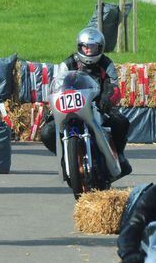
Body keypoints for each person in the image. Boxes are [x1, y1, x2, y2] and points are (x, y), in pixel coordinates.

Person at [39, 27, 131, 176]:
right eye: (85, 47)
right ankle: (65, 158)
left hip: (97, 106)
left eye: (93, 48)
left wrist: (107, 99)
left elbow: (113, 87)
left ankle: (119, 155)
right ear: (79, 47)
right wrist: (51, 109)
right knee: (47, 132)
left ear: (100, 48)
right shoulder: (67, 64)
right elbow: (56, 88)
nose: (88, 51)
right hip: (70, 107)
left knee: (121, 122)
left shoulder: (106, 63)